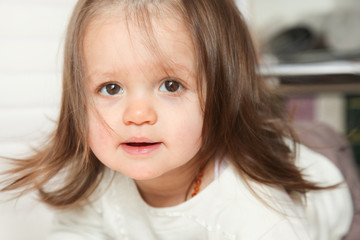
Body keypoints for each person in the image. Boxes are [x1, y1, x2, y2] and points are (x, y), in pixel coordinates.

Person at [0, 0, 353, 239]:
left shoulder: (252, 209)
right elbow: (75, 231)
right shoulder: (103, 184)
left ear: (222, 92)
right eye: (110, 88)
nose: (136, 115)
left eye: (171, 85)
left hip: (329, 179)